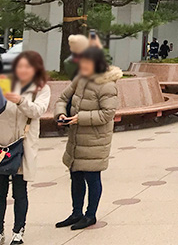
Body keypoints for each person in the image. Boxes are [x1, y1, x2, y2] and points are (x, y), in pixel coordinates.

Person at [54, 47, 121, 231]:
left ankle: (90, 215)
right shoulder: (80, 79)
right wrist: (61, 114)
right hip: (76, 138)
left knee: (92, 176)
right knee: (75, 175)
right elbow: (62, 98)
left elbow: (108, 114)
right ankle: (76, 212)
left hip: (94, 140)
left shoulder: (107, 84)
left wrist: (80, 118)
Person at [0, 51, 51, 244]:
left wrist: (20, 100)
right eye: (20, 66)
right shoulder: (3, 84)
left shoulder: (41, 89)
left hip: (23, 147)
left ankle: (18, 231)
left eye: (28, 67)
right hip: (1, 147)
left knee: (20, 191)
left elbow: (37, 111)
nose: (23, 70)